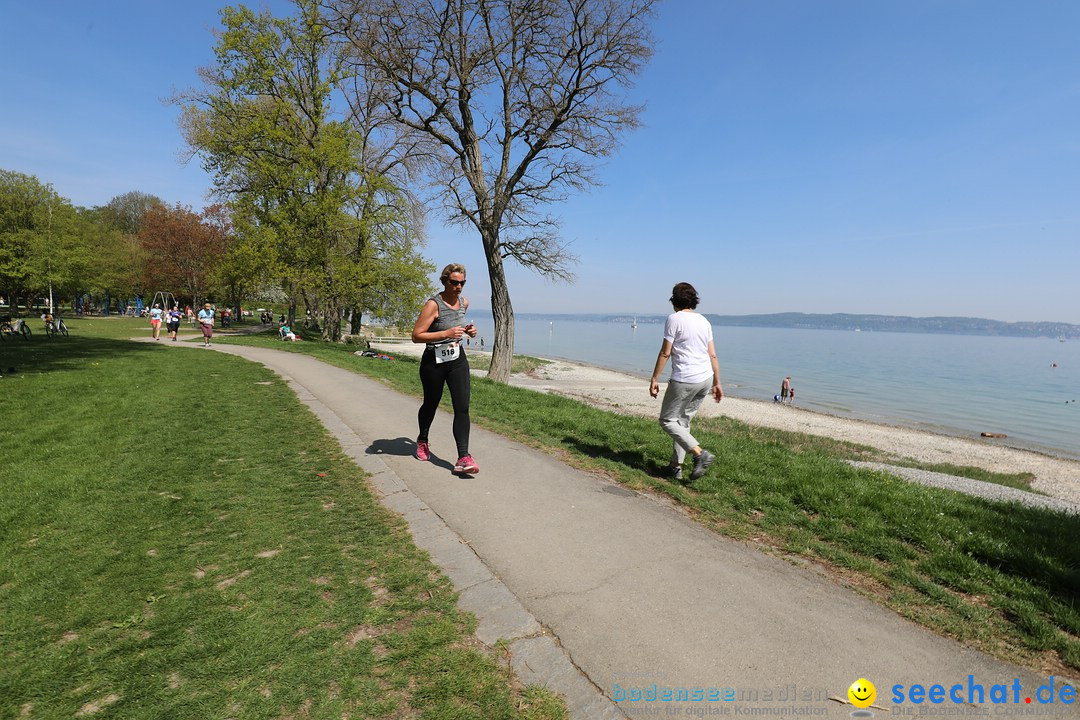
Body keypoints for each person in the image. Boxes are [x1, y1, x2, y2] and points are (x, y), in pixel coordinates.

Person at [649, 282, 723, 483]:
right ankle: (675, 467)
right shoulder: (704, 321)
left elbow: (666, 352)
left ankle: (700, 454)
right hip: (705, 379)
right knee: (683, 422)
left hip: (685, 379)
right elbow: (713, 354)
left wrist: (655, 378)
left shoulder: (674, 319)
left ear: (674, 300)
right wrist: (717, 382)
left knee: (667, 420)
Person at [411, 263, 479, 475]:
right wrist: (446, 333)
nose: (459, 287)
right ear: (445, 281)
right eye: (454, 283)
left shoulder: (463, 303)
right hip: (434, 362)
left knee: (462, 407)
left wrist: (469, 331)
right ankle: (422, 439)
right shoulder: (433, 304)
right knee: (431, 404)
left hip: (457, 359)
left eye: (462, 283)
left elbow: (458, 326)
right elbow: (416, 336)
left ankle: (463, 456)